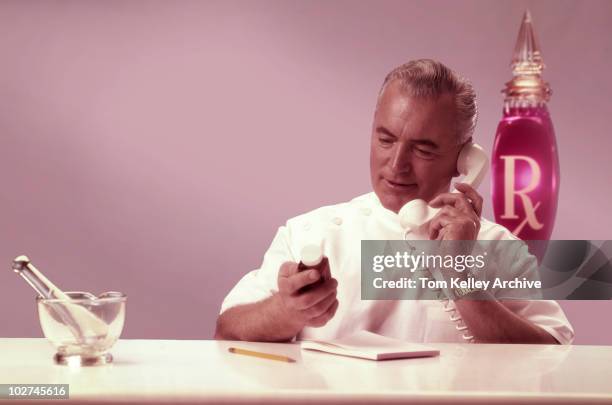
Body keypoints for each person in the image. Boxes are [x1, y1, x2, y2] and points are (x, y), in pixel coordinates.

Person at [214, 59, 574, 344]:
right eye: (386, 139)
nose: (396, 163)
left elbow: (554, 356)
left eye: (422, 149)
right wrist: (286, 311)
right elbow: (227, 328)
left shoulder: (499, 248)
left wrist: (461, 278)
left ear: (465, 160)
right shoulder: (311, 233)